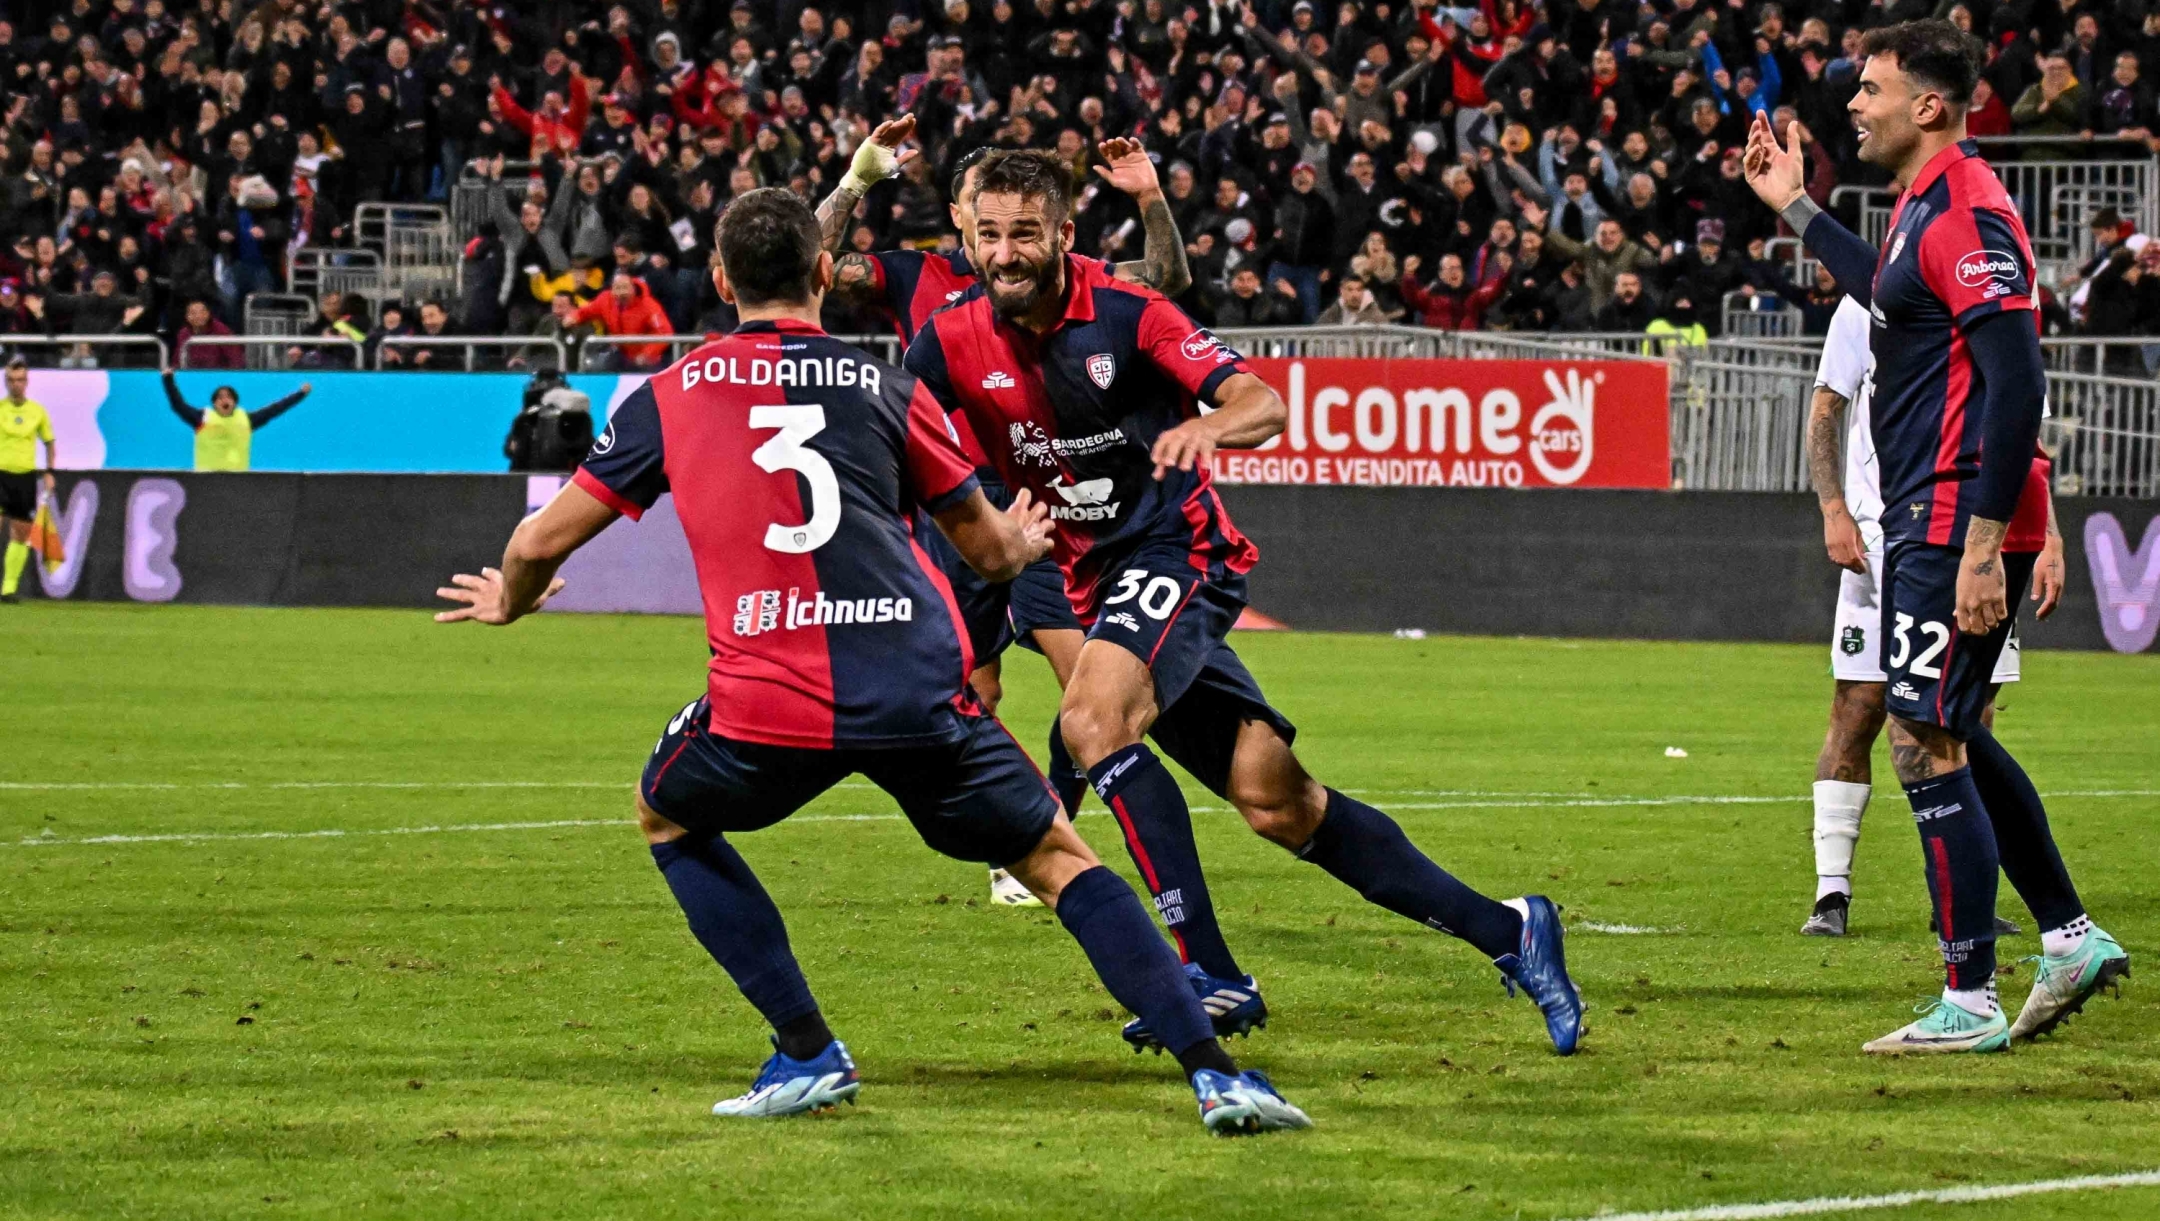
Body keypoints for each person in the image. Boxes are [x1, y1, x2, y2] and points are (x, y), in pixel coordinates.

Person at [434, 188, 1309, 1136]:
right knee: (1057, 856)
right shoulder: (891, 387)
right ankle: (1221, 1075)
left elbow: (535, 543)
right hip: (917, 689)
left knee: (665, 810)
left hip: (768, 703)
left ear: (722, 279)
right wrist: (1019, 543)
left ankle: (807, 1049)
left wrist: (513, 602)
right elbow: (984, 553)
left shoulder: (673, 393)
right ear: (822, 274)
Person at [907, 150, 1586, 1057]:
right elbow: (895, 437)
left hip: (1179, 551)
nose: (1005, 251)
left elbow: (1260, 402)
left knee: (1093, 720)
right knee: (1279, 800)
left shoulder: (1127, 310)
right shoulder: (950, 337)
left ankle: (1212, 973)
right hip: (1096, 582)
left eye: (1025, 232)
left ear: (1064, 233)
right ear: (966, 235)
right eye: (988, 234)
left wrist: (1206, 424)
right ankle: (1513, 930)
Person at [1746, 20, 2129, 1054]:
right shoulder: (1922, 206)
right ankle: (2070, 937)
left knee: (1920, 739)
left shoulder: (1968, 213)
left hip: (1952, 515)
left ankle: (1970, 993)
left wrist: (1983, 541)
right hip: (1927, 512)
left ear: (1930, 105)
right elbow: (1892, 294)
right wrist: (1797, 209)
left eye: (1870, 89)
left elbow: (2020, 380)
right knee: (1946, 722)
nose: (1852, 105)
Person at [815, 119, 1191, 905]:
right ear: (962, 213)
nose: (1003, 236)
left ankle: (1056, 829)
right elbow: (805, 269)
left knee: (1082, 682)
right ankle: (1012, 841)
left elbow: (1161, 277)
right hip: (957, 516)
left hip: (1050, 511)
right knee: (976, 693)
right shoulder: (916, 277)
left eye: (1019, 217)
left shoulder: (1061, 277)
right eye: (985, 211)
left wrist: (1153, 198)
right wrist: (855, 181)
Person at [1800, 295, 2062, 939]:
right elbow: (1826, 408)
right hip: (1885, 542)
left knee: (1969, 722)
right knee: (1860, 706)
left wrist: (2049, 533)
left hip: (1980, 544)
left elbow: (2024, 434)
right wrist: (1834, 509)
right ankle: (1831, 892)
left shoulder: (1997, 307)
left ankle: (1960, 895)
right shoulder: (1863, 305)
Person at [163, 372, 312, 472]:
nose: (224, 400)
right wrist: (168, 380)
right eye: (220, 397)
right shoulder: (202, 418)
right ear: (214, 403)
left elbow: (275, 409)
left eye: (228, 397)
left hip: (238, 479)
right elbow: (178, 405)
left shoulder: (246, 420)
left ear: (235, 402)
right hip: (206, 478)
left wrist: (299, 394)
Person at [0, 360, 56, 603]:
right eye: (11, 380)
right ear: (5, 382)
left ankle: (8, 589)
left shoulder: (37, 411)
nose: (16, 384)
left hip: (25, 478)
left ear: (27, 382)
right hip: (1, 473)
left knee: (21, 534)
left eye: (20, 380)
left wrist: (50, 472)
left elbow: (49, 442)